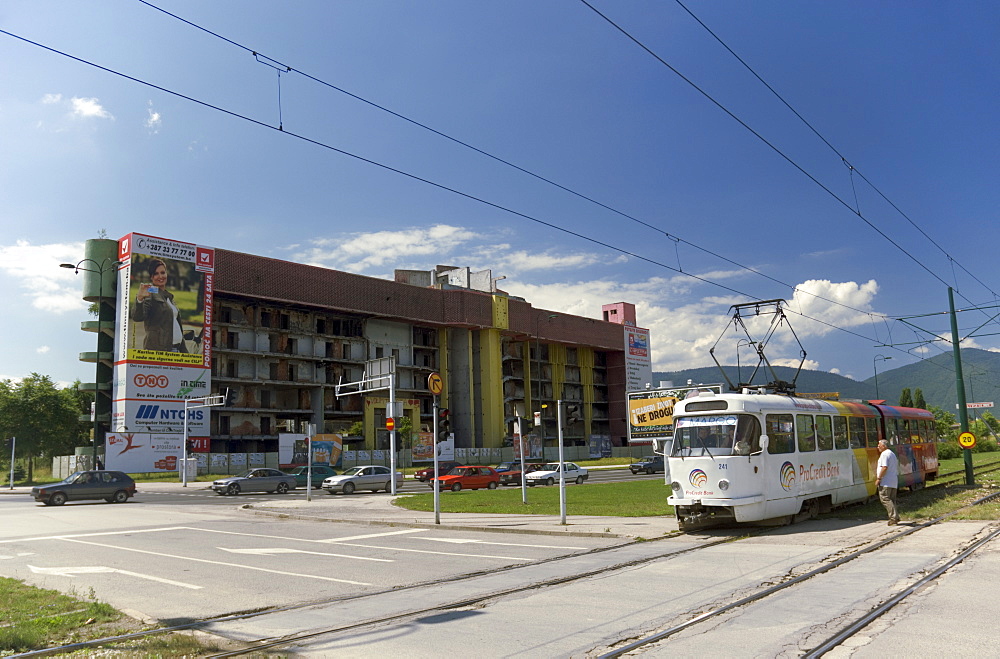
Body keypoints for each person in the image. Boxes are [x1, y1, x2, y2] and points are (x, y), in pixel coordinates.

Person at [131, 259, 186, 352]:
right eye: (156, 274)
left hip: (177, 350)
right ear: (151, 277)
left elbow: (177, 326)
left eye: (163, 272)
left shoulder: (169, 296)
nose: (160, 276)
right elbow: (137, 317)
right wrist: (139, 299)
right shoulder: (150, 293)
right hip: (160, 351)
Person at [875, 439, 900, 525]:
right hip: (893, 481)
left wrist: (879, 478)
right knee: (892, 500)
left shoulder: (885, 454)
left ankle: (893, 517)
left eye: (879, 445)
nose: (877, 447)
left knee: (885, 499)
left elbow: (884, 467)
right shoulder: (892, 454)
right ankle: (896, 517)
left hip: (886, 481)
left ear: (884, 446)